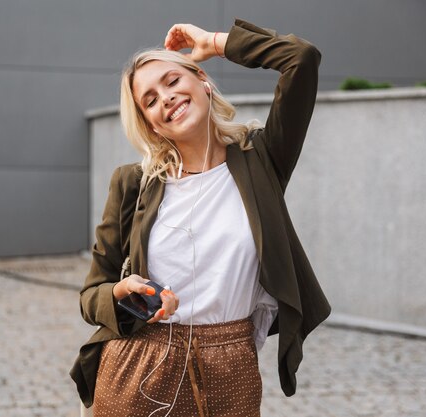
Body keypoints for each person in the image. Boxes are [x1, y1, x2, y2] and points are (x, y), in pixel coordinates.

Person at [71, 18, 331, 417]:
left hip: (231, 365)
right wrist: (123, 293)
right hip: (139, 363)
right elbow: (92, 296)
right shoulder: (133, 184)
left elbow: (302, 59)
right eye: (151, 100)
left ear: (202, 80)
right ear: (150, 123)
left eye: (173, 81)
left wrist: (214, 41)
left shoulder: (262, 160)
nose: (167, 99)